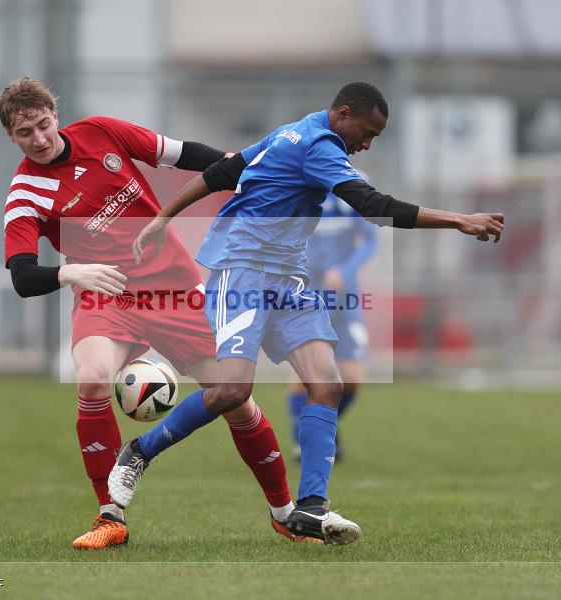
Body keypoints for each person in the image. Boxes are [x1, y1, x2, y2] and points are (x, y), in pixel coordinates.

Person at [110, 81, 504, 545]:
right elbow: (374, 207)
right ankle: (139, 451)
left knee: (327, 385)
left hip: (287, 277)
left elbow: (219, 172)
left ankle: (311, 508)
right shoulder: (319, 145)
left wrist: (162, 219)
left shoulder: (291, 132)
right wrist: (458, 219)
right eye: (367, 131)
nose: (367, 143)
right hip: (243, 270)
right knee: (232, 390)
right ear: (343, 113)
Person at [0, 76, 295, 550]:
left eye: (43, 125)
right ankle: (109, 517)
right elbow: (21, 276)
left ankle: (285, 514)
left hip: (172, 285)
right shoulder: (24, 193)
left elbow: (183, 154)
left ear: (55, 115)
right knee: (93, 377)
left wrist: (242, 167)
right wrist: (71, 274)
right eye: (24, 134)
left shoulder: (102, 133)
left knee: (235, 398)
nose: (38, 139)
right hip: (106, 293)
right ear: (11, 137)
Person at [286, 188, 377, 463]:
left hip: (344, 296)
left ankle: (321, 429)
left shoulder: (355, 185)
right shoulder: (299, 186)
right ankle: (305, 441)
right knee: (306, 376)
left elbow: (371, 240)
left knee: (351, 378)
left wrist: (345, 271)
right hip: (307, 294)